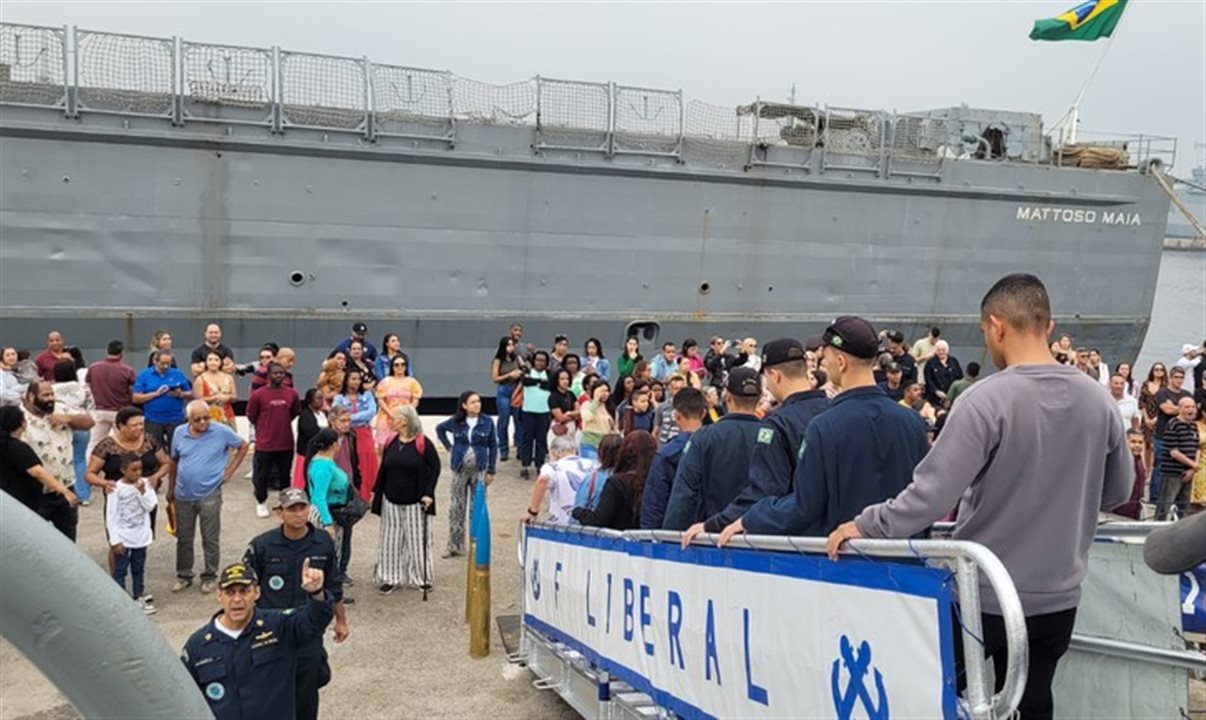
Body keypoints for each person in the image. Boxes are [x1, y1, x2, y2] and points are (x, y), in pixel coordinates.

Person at [826, 273, 1134, 720]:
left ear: (996, 326)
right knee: (1033, 702)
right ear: (1048, 327)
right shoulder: (1098, 399)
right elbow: (1120, 491)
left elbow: (929, 497)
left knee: (924, 693)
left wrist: (865, 523)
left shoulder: (985, 400)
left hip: (984, 594)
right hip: (1059, 597)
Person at [719, 316, 929, 544]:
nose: (822, 363)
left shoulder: (824, 426)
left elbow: (805, 505)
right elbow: (924, 496)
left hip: (847, 564)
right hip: (907, 560)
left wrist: (751, 519)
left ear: (841, 362)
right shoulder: (913, 422)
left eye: (825, 356)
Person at [683, 341, 829, 543]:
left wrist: (714, 525)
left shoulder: (777, 425)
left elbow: (764, 491)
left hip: (798, 545)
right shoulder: (835, 413)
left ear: (774, 375)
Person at [243, 487, 348, 720]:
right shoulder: (262, 545)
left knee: (306, 696)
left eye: (302, 507)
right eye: (292, 509)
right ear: (280, 512)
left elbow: (334, 584)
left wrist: (341, 621)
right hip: (271, 632)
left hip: (307, 631)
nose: (299, 514)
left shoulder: (323, 542)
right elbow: (246, 589)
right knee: (269, 695)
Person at [181, 561, 333, 720]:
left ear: (257, 592)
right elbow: (180, 694)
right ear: (219, 596)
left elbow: (315, 621)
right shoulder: (198, 645)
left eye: (244, 591)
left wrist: (316, 593)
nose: (237, 599)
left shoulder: (279, 626)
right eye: (230, 592)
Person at [663, 370, 763, 531]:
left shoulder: (704, 437)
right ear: (760, 398)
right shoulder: (772, 436)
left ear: (728, 397)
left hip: (712, 536)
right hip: (762, 539)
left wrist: (669, 539)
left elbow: (684, 494)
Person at [167, 400, 249, 593]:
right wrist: (171, 488)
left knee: (210, 537)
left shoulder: (221, 431)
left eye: (206, 418)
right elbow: (174, 461)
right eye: (197, 420)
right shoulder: (179, 433)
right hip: (183, 494)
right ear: (188, 419)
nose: (203, 422)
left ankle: (210, 575)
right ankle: (184, 574)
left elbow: (243, 446)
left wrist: (229, 471)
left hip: (210, 493)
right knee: (184, 537)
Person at [87, 406, 171, 573]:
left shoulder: (150, 440)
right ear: (120, 426)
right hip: (118, 501)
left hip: (144, 499)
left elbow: (166, 463)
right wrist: (104, 484)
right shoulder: (107, 445)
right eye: (134, 425)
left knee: (142, 540)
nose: (139, 428)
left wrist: (156, 476)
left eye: (141, 424)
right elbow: (90, 474)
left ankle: (138, 583)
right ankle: (116, 579)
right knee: (116, 542)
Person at [372, 405, 439, 594]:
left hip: (416, 501)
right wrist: (377, 492)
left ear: (406, 421)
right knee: (390, 540)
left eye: (396, 418)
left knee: (418, 540)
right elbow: (384, 469)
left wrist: (428, 493)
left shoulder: (423, 443)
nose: (392, 421)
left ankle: (421, 577)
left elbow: (434, 469)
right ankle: (390, 577)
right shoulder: (391, 441)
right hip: (391, 499)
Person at [21, 381, 92, 540]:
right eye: (45, 395)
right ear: (31, 396)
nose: (50, 398)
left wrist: (68, 419)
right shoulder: (20, 418)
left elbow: (89, 423)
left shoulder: (60, 409)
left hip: (66, 488)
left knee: (68, 538)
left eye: (52, 394)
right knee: (35, 540)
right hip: (36, 492)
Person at [436, 391, 498, 557]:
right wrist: (450, 447)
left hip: (479, 469)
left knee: (477, 506)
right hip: (459, 469)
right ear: (464, 405)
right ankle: (454, 545)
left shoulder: (487, 421)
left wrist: (491, 470)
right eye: (472, 402)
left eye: (478, 401)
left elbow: (493, 445)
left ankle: (476, 543)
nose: (477, 405)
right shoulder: (456, 421)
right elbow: (440, 429)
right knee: (457, 506)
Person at [640, 387, 705, 529]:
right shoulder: (718, 448)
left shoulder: (665, 455)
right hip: (713, 534)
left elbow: (654, 506)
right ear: (703, 413)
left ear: (676, 416)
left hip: (674, 536)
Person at [571, 431, 656, 530]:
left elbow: (599, 519)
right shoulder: (656, 480)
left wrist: (578, 512)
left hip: (617, 540)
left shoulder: (616, 483)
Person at [0, 405, 78, 514]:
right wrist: (64, 490)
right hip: (23, 502)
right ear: (22, 423)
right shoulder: (18, 448)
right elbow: (38, 472)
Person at [106, 452, 158, 614]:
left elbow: (150, 506)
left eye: (140, 469)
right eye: (133, 470)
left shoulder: (145, 484)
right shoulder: (116, 489)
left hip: (140, 536)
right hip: (123, 537)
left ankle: (138, 595)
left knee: (138, 567)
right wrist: (114, 540)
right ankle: (120, 599)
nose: (138, 473)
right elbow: (111, 515)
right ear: (123, 470)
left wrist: (143, 492)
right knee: (120, 569)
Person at [247, 363, 302, 518]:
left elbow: (294, 412)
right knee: (262, 475)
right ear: (269, 375)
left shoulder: (292, 394)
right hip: (265, 443)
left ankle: (284, 503)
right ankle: (261, 501)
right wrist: (265, 427)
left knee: (284, 475)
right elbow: (252, 415)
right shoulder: (258, 395)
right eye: (276, 373)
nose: (279, 376)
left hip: (285, 442)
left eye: (282, 373)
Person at [52, 359, 95, 506]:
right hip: (82, 424)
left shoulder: (52, 389)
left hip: (63, 426)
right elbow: (91, 405)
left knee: (62, 459)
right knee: (80, 459)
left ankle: (65, 491)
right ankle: (84, 495)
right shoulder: (83, 389)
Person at [525, 435, 594, 525]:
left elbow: (542, 480)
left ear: (555, 452)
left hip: (562, 519)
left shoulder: (552, 467)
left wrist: (533, 511)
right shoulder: (590, 464)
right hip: (588, 518)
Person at [332, 369, 378, 500]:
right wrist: (353, 418)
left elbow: (371, 412)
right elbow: (336, 413)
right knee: (347, 461)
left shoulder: (367, 395)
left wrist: (349, 417)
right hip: (346, 434)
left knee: (366, 463)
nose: (356, 382)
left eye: (358, 379)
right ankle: (350, 495)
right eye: (353, 379)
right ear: (346, 380)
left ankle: (367, 495)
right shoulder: (339, 397)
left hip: (364, 433)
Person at [133, 351, 193, 452]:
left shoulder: (177, 373)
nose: (165, 366)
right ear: (155, 361)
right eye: (162, 363)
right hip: (153, 419)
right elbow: (136, 398)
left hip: (175, 418)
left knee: (176, 449)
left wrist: (180, 394)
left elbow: (190, 394)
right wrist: (156, 394)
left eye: (168, 364)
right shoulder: (144, 375)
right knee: (154, 449)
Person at [85, 339, 136, 450]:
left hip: (100, 410)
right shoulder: (127, 370)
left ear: (107, 351)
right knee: (122, 442)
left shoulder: (93, 367)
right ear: (121, 353)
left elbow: (88, 384)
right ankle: (121, 465)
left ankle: (91, 465)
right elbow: (134, 389)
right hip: (120, 411)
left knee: (95, 442)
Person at [1153, 367, 1193, 502]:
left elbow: (1192, 411)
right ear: (1171, 378)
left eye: (1181, 378)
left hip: (1182, 437)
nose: (1179, 380)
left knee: (1179, 469)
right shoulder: (1163, 393)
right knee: (1159, 468)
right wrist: (1181, 408)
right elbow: (1166, 410)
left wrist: (1175, 407)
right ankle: (1155, 498)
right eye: (1176, 377)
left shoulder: (1186, 393)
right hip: (1162, 436)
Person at [1156, 396, 1200, 519]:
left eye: (1193, 406)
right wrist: (1193, 464)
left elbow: (1196, 448)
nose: (1191, 409)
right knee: (1165, 506)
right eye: (1187, 407)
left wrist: (1192, 469)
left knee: (1184, 508)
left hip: (1189, 473)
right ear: (1180, 409)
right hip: (1172, 473)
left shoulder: (1194, 426)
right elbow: (1173, 452)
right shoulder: (1173, 424)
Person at [372, 355, 422, 451]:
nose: (400, 367)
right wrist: (391, 415)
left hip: (406, 420)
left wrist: (406, 415)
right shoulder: (385, 382)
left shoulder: (412, 382)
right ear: (392, 367)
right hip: (387, 418)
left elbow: (415, 401)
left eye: (403, 364)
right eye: (396, 364)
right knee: (383, 448)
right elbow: (381, 400)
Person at [491, 337, 526, 463]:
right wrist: (509, 375)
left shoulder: (517, 358)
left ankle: (521, 449)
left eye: (513, 345)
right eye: (508, 345)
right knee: (504, 419)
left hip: (516, 389)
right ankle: (503, 449)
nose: (511, 347)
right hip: (504, 389)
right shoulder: (498, 360)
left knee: (519, 420)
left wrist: (521, 371)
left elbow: (525, 369)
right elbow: (495, 378)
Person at [519, 351, 553, 479]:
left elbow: (550, 385)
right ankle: (525, 465)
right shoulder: (527, 372)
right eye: (537, 360)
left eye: (543, 360)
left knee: (541, 439)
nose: (540, 362)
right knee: (527, 438)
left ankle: (540, 464)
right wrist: (539, 381)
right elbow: (525, 381)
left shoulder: (550, 374)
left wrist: (538, 382)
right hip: (528, 410)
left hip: (544, 411)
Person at [574, 433, 623, 515]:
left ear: (600, 452)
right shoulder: (630, 478)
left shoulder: (592, 479)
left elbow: (579, 505)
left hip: (593, 523)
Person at [195, 350, 238, 431]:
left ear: (220, 362)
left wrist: (228, 397)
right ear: (206, 362)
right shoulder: (201, 379)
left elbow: (235, 397)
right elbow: (198, 400)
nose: (213, 362)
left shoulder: (229, 378)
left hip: (227, 416)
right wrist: (215, 398)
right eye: (210, 360)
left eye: (216, 360)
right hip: (209, 416)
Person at [294, 389, 329, 487]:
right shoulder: (305, 415)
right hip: (307, 454)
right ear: (310, 400)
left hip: (321, 453)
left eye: (322, 398)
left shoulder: (324, 414)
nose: (321, 401)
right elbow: (311, 432)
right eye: (318, 398)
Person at [1111, 430, 1148, 520]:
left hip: (1134, 511)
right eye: (1133, 442)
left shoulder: (1139, 462)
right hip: (1117, 513)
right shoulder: (1118, 462)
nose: (1137, 445)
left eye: (1140, 442)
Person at [1139, 363, 1168, 472]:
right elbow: (1142, 402)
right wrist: (1146, 418)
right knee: (1146, 444)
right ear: (1152, 371)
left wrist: (1156, 419)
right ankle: (1147, 469)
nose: (1158, 371)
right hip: (1147, 416)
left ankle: (1155, 468)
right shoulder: (1146, 384)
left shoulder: (1165, 386)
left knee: (1154, 445)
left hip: (1160, 417)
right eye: (1156, 369)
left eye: (1161, 369)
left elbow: (1166, 403)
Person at [578, 381, 615, 460]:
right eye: (602, 391)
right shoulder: (587, 404)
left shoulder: (609, 407)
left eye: (607, 391)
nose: (605, 393)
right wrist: (596, 400)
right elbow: (587, 417)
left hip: (605, 445)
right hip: (590, 444)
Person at [923, 340, 963, 407]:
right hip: (934, 398)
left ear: (947, 350)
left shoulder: (954, 361)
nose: (941, 352)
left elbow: (960, 377)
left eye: (943, 350)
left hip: (951, 398)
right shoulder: (930, 362)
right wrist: (936, 391)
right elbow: (928, 379)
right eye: (939, 350)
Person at [654, 374, 687, 445]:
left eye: (681, 388)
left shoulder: (688, 408)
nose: (679, 391)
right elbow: (656, 429)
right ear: (670, 389)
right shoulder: (661, 407)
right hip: (663, 446)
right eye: (676, 388)